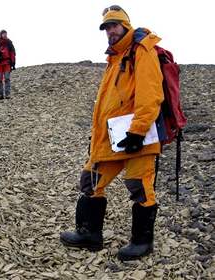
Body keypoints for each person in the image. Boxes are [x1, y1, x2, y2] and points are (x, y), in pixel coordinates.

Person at [59, 5, 165, 261]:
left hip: (139, 137)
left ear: (126, 25)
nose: (110, 31)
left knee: (140, 186)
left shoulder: (142, 50)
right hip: (114, 138)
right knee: (90, 180)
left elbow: (151, 95)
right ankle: (88, 234)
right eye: (106, 27)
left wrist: (138, 131)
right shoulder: (115, 58)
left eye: (114, 25)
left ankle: (142, 242)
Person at [0, 30, 16, 99]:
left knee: (7, 79)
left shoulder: (9, 43)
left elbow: (12, 53)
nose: (5, 35)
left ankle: (7, 94)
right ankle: (0, 95)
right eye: (3, 34)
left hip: (7, 63)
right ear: (1, 35)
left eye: (5, 34)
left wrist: (13, 63)